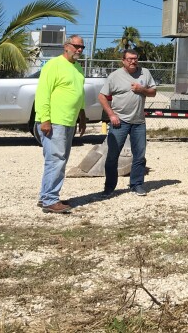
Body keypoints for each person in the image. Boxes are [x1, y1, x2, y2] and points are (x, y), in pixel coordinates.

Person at [35, 35, 87, 214]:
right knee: (56, 160)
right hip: (54, 122)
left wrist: (82, 115)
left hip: (69, 121)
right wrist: (45, 119)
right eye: (76, 46)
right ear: (66, 46)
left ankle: (46, 197)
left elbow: (79, 94)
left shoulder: (78, 67)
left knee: (59, 160)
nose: (79, 50)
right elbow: (43, 93)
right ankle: (50, 199)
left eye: (82, 47)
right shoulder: (53, 65)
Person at [99, 49, 156, 196]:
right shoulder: (115, 76)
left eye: (135, 59)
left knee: (139, 155)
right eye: (130, 59)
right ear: (123, 60)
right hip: (120, 121)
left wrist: (142, 89)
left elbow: (153, 92)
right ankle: (110, 187)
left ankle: (136, 184)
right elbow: (102, 96)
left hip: (139, 122)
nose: (133, 61)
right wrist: (111, 115)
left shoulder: (145, 73)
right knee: (113, 155)